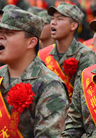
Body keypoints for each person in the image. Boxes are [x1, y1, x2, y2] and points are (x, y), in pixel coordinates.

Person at [0, 9, 69, 137]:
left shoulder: (49, 86)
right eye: (0, 32)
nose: (1, 37)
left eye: (9, 32)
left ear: (31, 42)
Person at [38, 3, 96, 100]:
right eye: (53, 18)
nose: (53, 22)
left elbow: (82, 95)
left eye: (59, 19)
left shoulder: (85, 54)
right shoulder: (43, 54)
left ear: (73, 26)